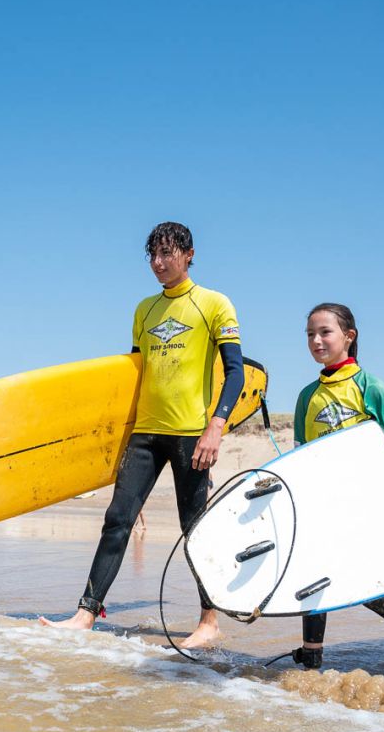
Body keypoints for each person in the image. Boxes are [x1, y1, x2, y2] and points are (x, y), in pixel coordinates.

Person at [39, 222, 246, 648]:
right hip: (146, 435)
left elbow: (236, 372)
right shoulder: (144, 310)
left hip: (192, 434)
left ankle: (209, 621)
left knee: (196, 530)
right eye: (152, 255)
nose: (158, 263)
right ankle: (86, 612)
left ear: (189, 254)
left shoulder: (214, 304)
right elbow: (134, 377)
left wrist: (216, 426)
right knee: (117, 520)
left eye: (167, 253)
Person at [287, 303, 384, 678]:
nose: (316, 340)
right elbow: (301, 458)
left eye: (325, 332)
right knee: (312, 576)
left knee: (354, 578)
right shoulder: (307, 396)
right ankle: (312, 664)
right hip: (322, 502)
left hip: (363, 502)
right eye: (310, 334)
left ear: (348, 337)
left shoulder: (369, 386)